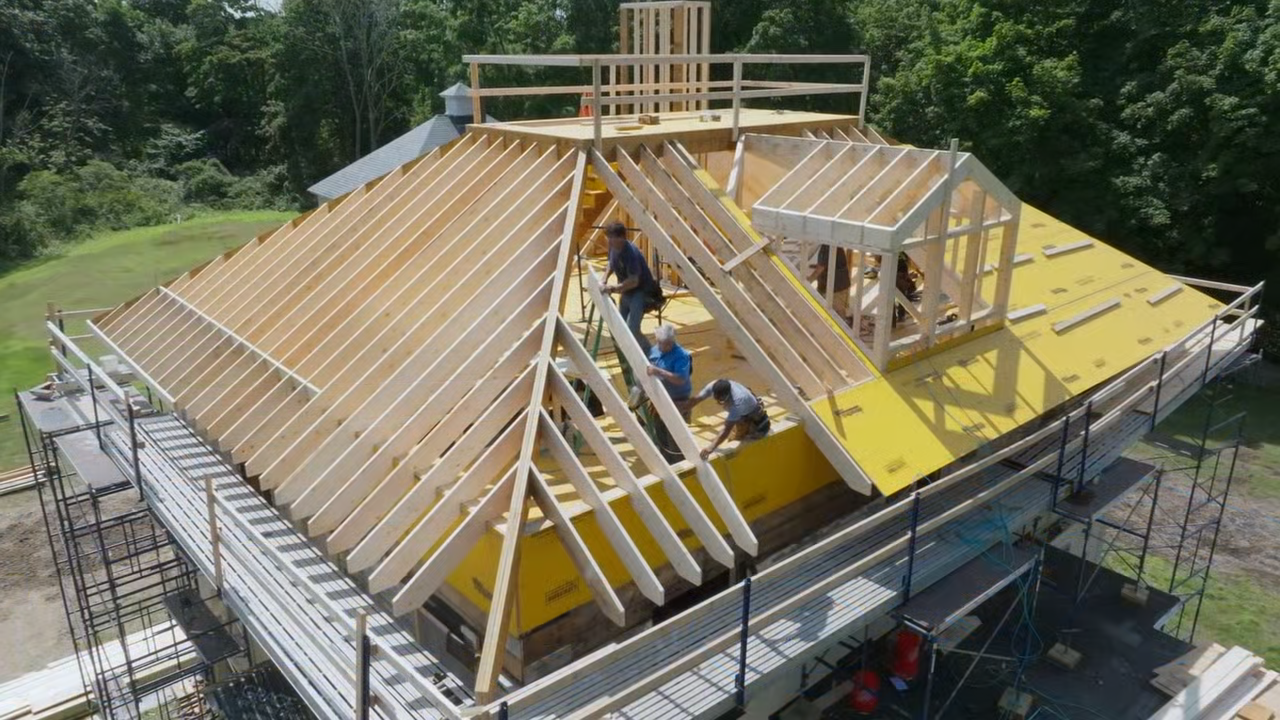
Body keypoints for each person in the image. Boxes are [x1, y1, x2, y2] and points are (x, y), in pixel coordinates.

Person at [601, 221, 661, 355]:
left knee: (632, 329)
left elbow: (634, 281)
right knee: (621, 327)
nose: (609, 241)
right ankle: (631, 356)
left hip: (642, 292)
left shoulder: (631, 253)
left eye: (611, 238)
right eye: (608, 237)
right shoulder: (613, 247)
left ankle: (651, 355)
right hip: (627, 292)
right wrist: (604, 278)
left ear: (621, 238)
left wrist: (614, 288)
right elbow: (611, 262)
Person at [685, 378, 770, 460]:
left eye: (721, 400)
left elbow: (726, 429)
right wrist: (685, 408)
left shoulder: (737, 403)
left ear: (727, 395)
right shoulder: (714, 385)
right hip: (744, 403)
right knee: (732, 432)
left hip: (750, 414)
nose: (718, 402)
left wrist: (710, 448)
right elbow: (697, 398)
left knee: (741, 438)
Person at [643, 324, 693, 461]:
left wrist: (659, 371)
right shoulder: (655, 350)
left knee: (675, 438)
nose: (661, 347)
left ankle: (681, 464)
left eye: (665, 344)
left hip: (677, 401)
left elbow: (680, 379)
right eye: (659, 342)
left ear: (672, 342)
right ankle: (668, 463)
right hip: (659, 399)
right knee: (661, 434)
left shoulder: (681, 356)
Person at [808, 245, 851, 320]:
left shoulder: (827, 245)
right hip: (836, 285)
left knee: (837, 311)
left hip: (836, 287)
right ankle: (842, 323)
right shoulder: (830, 244)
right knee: (838, 309)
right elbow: (826, 263)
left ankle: (841, 325)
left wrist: (807, 281)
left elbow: (821, 268)